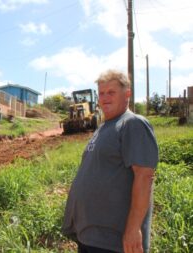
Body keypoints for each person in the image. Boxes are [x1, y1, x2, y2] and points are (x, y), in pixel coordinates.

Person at [62, 70, 159, 253]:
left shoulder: (132, 124)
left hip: (113, 243)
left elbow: (144, 176)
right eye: (102, 93)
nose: (105, 98)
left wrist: (133, 229)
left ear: (127, 94)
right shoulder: (104, 128)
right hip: (91, 237)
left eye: (111, 92)